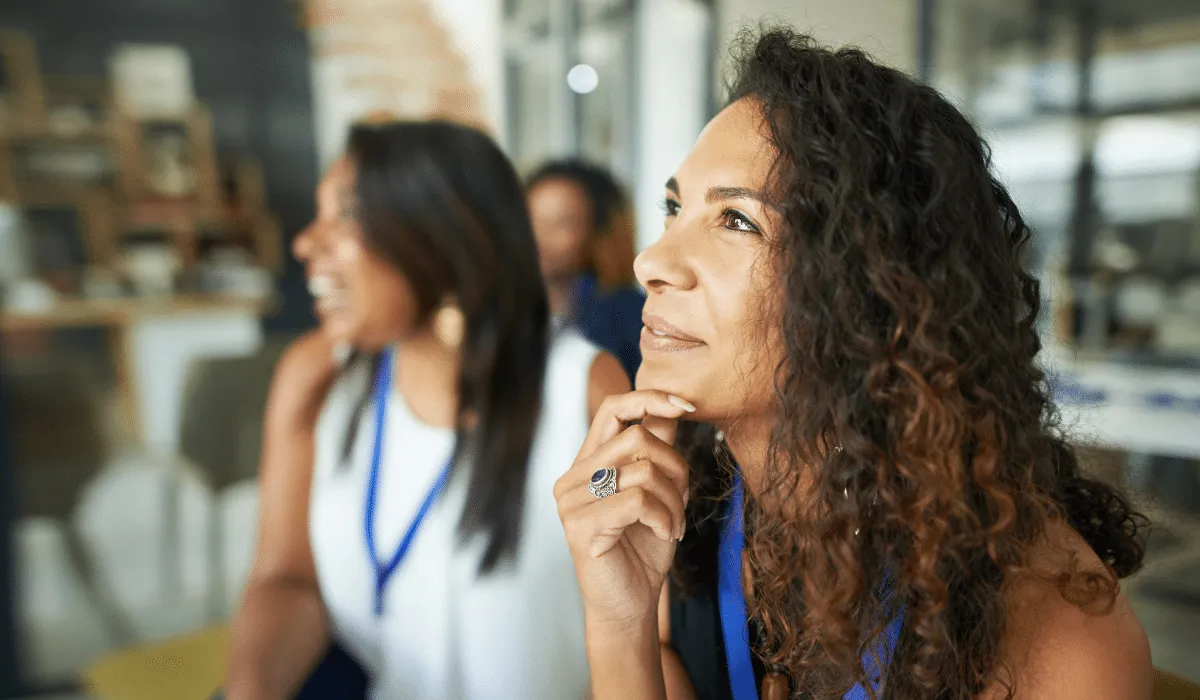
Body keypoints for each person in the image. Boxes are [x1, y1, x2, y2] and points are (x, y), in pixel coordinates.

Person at [553, 28, 1153, 700]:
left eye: (736, 221)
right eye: (674, 208)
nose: (651, 262)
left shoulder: (1057, 636)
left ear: (873, 289)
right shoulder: (682, 511)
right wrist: (617, 620)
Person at [225, 120, 629, 700]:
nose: (306, 243)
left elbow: (644, 623)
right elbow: (288, 580)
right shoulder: (317, 381)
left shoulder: (585, 393)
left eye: (345, 216)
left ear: (441, 240)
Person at [528, 160, 645, 381]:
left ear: (601, 232)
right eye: (530, 219)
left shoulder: (628, 316)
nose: (539, 235)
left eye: (562, 223)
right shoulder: (509, 310)